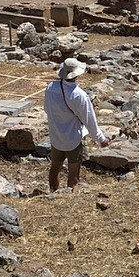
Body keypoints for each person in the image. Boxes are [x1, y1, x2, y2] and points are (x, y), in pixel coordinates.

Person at [44, 57, 109, 191]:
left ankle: (53, 192)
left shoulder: (51, 88)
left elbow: (46, 109)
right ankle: (70, 193)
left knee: (55, 166)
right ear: (77, 74)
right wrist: (100, 139)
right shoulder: (79, 95)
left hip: (56, 134)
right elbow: (89, 119)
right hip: (73, 136)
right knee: (73, 168)